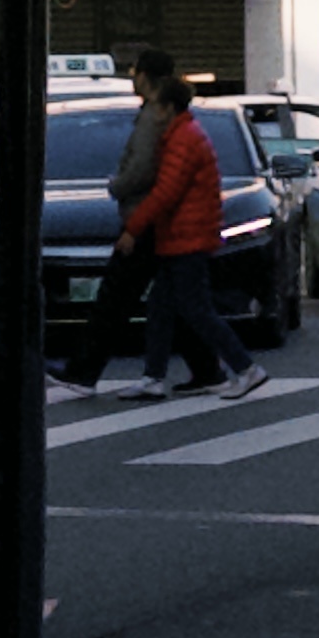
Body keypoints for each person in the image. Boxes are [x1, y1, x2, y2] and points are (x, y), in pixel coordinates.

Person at [122, 76, 264, 400]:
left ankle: (245, 367)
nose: (150, 110)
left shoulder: (183, 140)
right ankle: (153, 376)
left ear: (169, 108)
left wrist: (134, 228)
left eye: (156, 104)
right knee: (162, 306)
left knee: (195, 308)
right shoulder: (184, 135)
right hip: (183, 236)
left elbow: (166, 192)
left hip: (186, 238)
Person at [48, 52, 181, 395]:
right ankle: (212, 368)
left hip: (144, 218)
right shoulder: (161, 113)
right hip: (155, 218)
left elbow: (143, 167)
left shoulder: (153, 116)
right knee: (173, 298)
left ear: (146, 77)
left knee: (114, 298)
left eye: (135, 71)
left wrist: (117, 186)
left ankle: (83, 371)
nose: (132, 77)